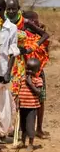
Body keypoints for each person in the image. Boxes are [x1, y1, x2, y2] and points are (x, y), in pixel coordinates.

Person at [0, 0, 19, 143]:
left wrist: (8, 71)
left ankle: (1, 133)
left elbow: (12, 50)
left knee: (2, 103)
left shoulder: (12, 28)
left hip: (3, 68)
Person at [21, 10, 50, 139]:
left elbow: (45, 50)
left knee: (40, 100)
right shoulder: (22, 36)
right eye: (34, 20)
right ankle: (24, 130)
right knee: (23, 101)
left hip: (38, 72)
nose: (37, 22)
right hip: (23, 72)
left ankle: (39, 128)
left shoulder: (39, 36)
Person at [18, 58, 43, 152]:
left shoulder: (38, 80)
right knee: (22, 126)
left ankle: (31, 144)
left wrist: (30, 83)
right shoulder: (23, 78)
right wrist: (17, 103)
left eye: (32, 70)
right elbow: (19, 91)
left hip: (31, 107)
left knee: (30, 126)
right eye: (27, 68)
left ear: (37, 71)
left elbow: (39, 92)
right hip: (23, 106)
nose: (29, 71)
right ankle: (22, 142)